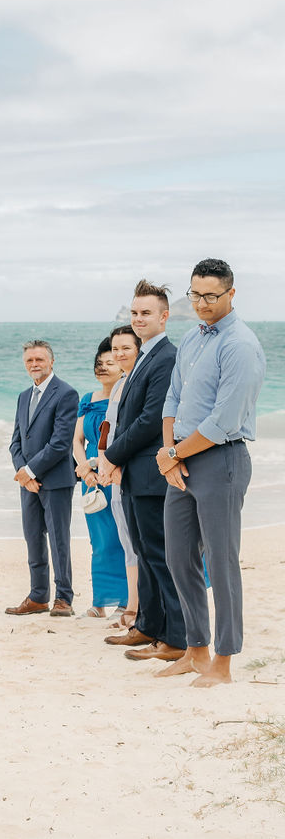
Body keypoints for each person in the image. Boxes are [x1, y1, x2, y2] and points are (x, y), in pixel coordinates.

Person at [154, 258, 267, 687]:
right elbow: (173, 400)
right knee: (178, 556)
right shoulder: (191, 339)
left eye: (210, 296)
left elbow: (224, 421)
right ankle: (196, 650)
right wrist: (169, 453)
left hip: (222, 461)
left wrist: (175, 453)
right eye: (195, 294)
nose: (201, 303)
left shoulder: (240, 344)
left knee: (221, 563)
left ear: (231, 294)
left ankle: (223, 662)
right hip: (181, 460)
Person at [100, 280, 185, 664]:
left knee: (160, 556)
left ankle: (175, 638)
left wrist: (111, 455)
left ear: (164, 316)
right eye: (134, 312)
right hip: (135, 475)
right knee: (145, 554)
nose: (138, 319)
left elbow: (151, 420)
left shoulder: (165, 357)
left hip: (152, 475)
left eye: (146, 312)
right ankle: (148, 627)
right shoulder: (142, 358)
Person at [7, 340, 79, 617]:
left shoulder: (66, 393)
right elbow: (16, 441)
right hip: (29, 483)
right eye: (29, 361)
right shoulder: (23, 396)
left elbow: (60, 443)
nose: (34, 364)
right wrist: (24, 474)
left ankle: (64, 598)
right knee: (33, 538)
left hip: (57, 480)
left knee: (59, 540)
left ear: (51, 362)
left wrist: (31, 471)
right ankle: (38, 597)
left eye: (39, 359)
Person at [72, 339, 128, 617]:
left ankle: (126, 601)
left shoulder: (124, 397)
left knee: (122, 537)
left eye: (110, 363)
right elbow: (77, 441)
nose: (103, 368)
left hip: (115, 474)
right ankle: (99, 603)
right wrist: (84, 469)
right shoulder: (87, 399)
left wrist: (105, 469)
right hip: (90, 480)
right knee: (99, 540)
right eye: (99, 363)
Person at [98, 325, 142, 626]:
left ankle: (137, 610)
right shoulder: (119, 384)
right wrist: (101, 462)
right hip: (114, 474)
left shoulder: (137, 382)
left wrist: (114, 462)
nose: (119, 354)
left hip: (130, 471)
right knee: (127, 542)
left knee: (139, 545)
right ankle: (133, 607)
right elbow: (108, 431)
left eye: (125, 348)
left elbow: (139, 430)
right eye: (115, 349)